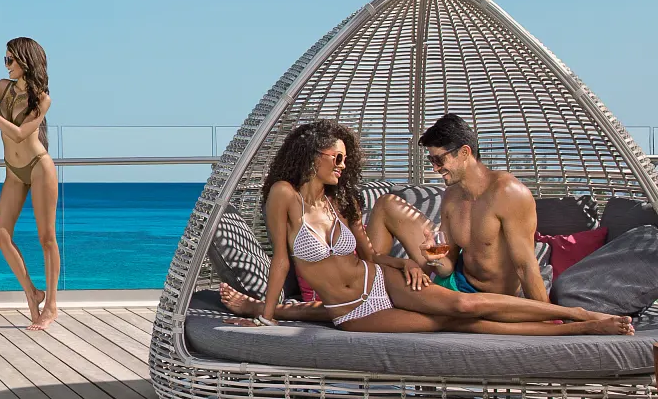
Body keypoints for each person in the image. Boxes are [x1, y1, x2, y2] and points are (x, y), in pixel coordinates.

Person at [218, 120, 631, 335]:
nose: (342, 166)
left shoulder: (334, 201)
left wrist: (403, 266)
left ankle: (578, 317)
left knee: (465, 309)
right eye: (335, 157)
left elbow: (368, 257)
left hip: (386, 280)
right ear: (312, 156)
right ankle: (582, 324)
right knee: (459, 321)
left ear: (464, 153)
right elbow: (283, 263)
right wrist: (266, 318)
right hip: (357, 307)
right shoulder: (285, 196)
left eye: (345, 158)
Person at [366, 114, 549, 300]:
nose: (435, 169)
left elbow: (526, 267)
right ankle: (368, 293)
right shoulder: (452, 196)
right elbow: (447, 267)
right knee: (386, 203)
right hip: (455, 283)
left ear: (464, 153)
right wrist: (434, 257)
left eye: (439, 160)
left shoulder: (509, 193)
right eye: (432, 161)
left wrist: (550, 317)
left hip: (491, 298)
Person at [0, 37, 60, 329]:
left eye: (10, 60)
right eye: (5, 60)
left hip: (39, 166)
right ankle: (32, 292)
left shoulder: (42, 98)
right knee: (0, 235)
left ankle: (51, 305)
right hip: (15, 171)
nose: (6, 65)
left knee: (47, 238)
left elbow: (19, 133)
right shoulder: (3, 88)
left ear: (26, 61)